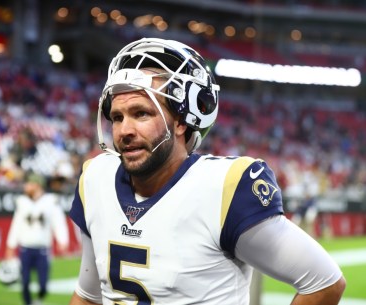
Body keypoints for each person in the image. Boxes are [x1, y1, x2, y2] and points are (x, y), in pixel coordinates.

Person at [68, 37, 345, 305]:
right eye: (117, 117)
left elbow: (325, 282)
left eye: (141, 114)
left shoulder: (224, 188)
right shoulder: (96, 178)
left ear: (180, 122)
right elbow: (89, 296)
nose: (124, 130)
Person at [6, 173, 69, 305]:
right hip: (25, 248)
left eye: (28, 184)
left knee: (43, 285)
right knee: (25, 281)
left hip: (43, 249)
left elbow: (58, 221)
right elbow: (16, 224)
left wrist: (62, 240)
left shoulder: (50, 201)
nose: (25, 186)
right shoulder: (22, 202)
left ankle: (38, 299)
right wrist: (10, 245)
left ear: (37, 185)